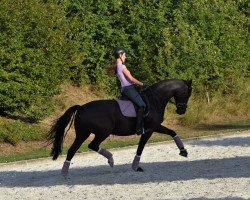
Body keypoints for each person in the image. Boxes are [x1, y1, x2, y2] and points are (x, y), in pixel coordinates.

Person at [112, 47, 146, 135]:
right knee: (142, 105)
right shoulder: (122, 66)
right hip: (129, 89)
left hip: (123, 89)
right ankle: (139, 128)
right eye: (124, 55)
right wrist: (142, 84)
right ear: (120, 55)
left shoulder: (116, 67)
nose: (125, 57)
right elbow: (131, 78)